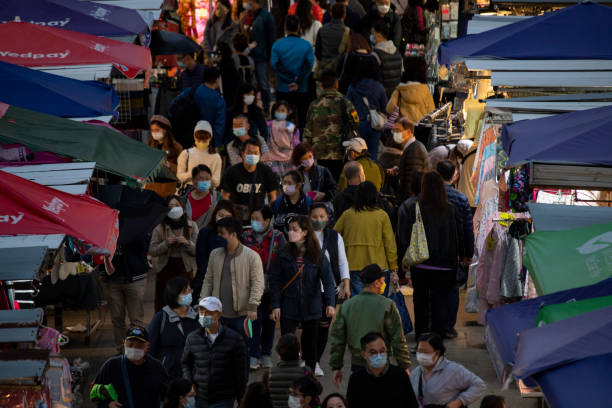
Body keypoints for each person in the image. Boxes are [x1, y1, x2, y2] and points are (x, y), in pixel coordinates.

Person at [269, 215, 336, 371]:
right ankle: (287, 374)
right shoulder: (283, 253)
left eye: (295, 229)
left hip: (312, 307)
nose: (290, 232)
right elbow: (275, 280)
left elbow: (328, 281)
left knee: (310, 346)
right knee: (287, 344)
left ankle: (309, 376)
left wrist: (331, 304)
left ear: (305, 232)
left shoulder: (317, 254)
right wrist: (275, 305)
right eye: (289, 229)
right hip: (289, 306)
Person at [404, 172, 464, 340]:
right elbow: (458, 236)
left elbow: (407, 235)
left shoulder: (415, 208)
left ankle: (421, 333)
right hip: (444, 265)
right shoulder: (451, 209)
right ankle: (437, 335)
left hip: (421, 263)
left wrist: (404, 258)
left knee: (420, 300)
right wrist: (463, 256)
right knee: (440, 301)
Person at [330, 265, 410, 381]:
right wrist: (404, 365)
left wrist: (336, 367)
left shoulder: (347, 306)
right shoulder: (387, 305)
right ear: (377, 282)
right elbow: (398, 338)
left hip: (357, 364)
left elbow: (338, 339)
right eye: (383, 281)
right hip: (382, 363)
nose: (384, 284)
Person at [201, 217, 264, 349]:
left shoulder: (252, 256)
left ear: (233, 234)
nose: (218, 236)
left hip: (242, 315)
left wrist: (253, 306)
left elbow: (258, 284)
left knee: (242, 351)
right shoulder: (214, 254)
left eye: (222, 233)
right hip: (218, 315)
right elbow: (208, 280)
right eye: (218, 233)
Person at [242, 206, 287, 369]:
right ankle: (253, 354)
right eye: (252, 218)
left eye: (257, 218)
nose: (253, 221)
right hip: (251, 284)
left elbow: (284, 259)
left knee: (269, 320)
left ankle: (266, 353)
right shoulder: (246, 236)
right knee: (254, 319)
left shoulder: (278, 237)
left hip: (272, 285)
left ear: (267, 221)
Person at [182, 296, 248, 408]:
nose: (203, 315)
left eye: (207, 312)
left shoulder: (235, 339)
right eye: (201, 311)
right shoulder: (192, 338)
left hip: (224, 398)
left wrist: (241, 398)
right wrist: (189, 383)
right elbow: (185, 363)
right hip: (200, 397)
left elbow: (241, 371)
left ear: (218, 314)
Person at [333, 181, 397, 295]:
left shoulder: (348, 215)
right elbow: (390, 243)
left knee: (359, 306)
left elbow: (334, 236)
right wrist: (393, 267)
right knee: (378, 306)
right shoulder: (382, 215)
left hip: (353, 265)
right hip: (378, 266)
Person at [310, 203, 350, 377]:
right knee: (310, 325)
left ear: (328, 218)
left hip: (329, 289)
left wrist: (346, 283)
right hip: (308, 289)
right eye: (314, 216)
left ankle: (316, 361)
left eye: (322, 216)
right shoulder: (303, 235)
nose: (318, 220)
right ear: (308, 217)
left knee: (324, 327)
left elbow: (342, 262)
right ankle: (307, 359)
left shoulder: (335, 237)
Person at [437, 160, 474, 339]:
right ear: (454, 176)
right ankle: (448, 327)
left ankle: (434, 324)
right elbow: (467, 228)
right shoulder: (460, 198)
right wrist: (468, 253)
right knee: (452, 289)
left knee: (433, 289)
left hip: (431, 250)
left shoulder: (427, 196)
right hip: (453, 251)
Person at [92, 326, 169, 408]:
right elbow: (95, 392)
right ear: (124, 343)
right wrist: (107, 404)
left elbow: (167, 395)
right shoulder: (111, 365)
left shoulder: (157, 367)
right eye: (130, 344)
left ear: (147, 346)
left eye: (139, 345)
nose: (134, 348)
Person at [303, 70, 359, 181]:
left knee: (323, 181)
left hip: (320, 151)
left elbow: (308, 130)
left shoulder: (314, 105)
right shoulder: (345, 103)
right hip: (340, 150)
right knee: (339, 181)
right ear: (336, 83)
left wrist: (307, 150)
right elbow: (355, 123)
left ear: (322, 85)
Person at [103, 226, 150, 352]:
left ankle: (137, 350)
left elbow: (144, 248)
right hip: (113, 278)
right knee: (117, 318)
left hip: (135, 277)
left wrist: (128, 235)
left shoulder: (138, 225)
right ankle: (121, 350)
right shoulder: (108, 225)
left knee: (136, 319)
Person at [149, 195, 199, 312]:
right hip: (165, 268)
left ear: (182, 207)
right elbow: (152, 250)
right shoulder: (159, 227)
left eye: (177, 205)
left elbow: (198, 251)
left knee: (185, 300)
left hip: (185, 268)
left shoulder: (192, 226)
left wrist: (187, 243)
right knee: (164, 301)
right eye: (170, 206)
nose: (174, 209)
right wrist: (166, 244)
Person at [410, 333, 486, 407]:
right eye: (419, 351)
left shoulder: (454, 370)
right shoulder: (415, 373)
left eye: (425, 352)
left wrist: (460, 401)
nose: (421, 355)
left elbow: (479, 385)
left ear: (437, 353)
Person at [346, 332, 418, 408]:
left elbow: (411, 404)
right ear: (364, 354)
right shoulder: (356, 379)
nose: (379, 356)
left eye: (382, 351)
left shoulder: (400, 375)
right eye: (373, 352)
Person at [148, 277, 200, 379]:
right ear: (174, 295)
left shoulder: (198, 317)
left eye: (190, 291)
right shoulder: (160, 318)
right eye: (185, 292)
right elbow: (151, 348)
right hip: (169, 373)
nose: (190, 295)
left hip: (194, 373)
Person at [271, 15, 315, 132]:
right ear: (299, 27)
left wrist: (289, 79)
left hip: (283, 88)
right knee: (301, 119)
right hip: (301, 89)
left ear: (285, 28)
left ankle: (282, 142)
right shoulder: (306, 45)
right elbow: (308, 66)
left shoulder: (277, 45)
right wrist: (297, 81)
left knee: (282, 119)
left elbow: (276, 65)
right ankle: (298, 143)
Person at [221, 137, 278, 222]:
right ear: (243, 154)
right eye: (249, 152)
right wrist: (230, 214)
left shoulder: (266, 171)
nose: (253, 155)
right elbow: (225, 196)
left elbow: (273, 197)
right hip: (237, 216)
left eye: (256, 153)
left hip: (258, 217)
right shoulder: (231, 172)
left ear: (260, 155)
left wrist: (269, 217)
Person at [193, 200, 239, 302]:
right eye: (220, 215)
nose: (223, 218)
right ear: (215, 214)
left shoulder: (237, 235)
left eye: (227, 216)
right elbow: (201, 261)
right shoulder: (205, 232)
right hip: (207, 282)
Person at [171, 67, 226, 149]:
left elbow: (173, 105)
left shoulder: (190, 91)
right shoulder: (219, 100)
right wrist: (217, 146)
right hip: (206, 142)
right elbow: (219, 126)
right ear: (217, 80)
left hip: (185, 139)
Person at [345, 66, 388, 159]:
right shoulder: (379, 87)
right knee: (373, 154)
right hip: (375, 125)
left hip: (358, 126)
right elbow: (385, 108)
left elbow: (347, 106)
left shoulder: (353, 87)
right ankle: (371, 172)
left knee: (357, 155)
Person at [243, 0, 275, 113]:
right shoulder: (249, 15)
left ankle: (266, 108)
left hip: (261, 56)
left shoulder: (265, 17)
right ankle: (253, 107)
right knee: (252, 83)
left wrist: (271, 56)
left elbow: (271, 37)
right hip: (250, 55)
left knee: (263, 83)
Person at [265, 334, 309, 408]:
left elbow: (264, 396)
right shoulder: (306, 371)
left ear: (279, 352)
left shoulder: (269, 373)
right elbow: (318, 389)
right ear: (298, 352)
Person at [386, 58, 435, 124]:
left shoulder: (400, 90)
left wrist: (401, 118)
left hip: (404, 131)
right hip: (420, 131)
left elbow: (389, 109)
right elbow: (432, 111)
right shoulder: (425, 91)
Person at [177, 120, 223, 188]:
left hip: (207, 190)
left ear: (210, 139)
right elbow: (179, 176)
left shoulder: (216, 157)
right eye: (199, 140)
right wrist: (193, 173)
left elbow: (217, 182)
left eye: (204, 140)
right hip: (188, 189)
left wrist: (206, 177)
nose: (201, 142)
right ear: (194, 137)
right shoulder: (186, 153)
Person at [315, 4, 350, 81]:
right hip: (339, 71)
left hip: (323, 69)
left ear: (331, 14)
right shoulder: (347, 32)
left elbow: (317, 52)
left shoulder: (322, 29)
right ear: (344, 15)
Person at [397, 117, 429, 201]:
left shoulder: (415, 150)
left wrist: (407, 204)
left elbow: (412, 181)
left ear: (408, 132)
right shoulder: (412, 147)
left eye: (398, 131)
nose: (394, 134)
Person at [267, 100, 301, 176]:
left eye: (282, 110)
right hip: (273, 159)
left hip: (289, 159)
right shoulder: (269, 125)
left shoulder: (292, 127)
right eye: (278, 110)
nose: (280, 112)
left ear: (288, 112)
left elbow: (296, 143)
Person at [371, 20, 402, 97]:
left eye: (372, 33)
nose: (371, 36)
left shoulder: (375, 55)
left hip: (381, 98)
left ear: (379, 35)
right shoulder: (398, 53)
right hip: (394, 98)